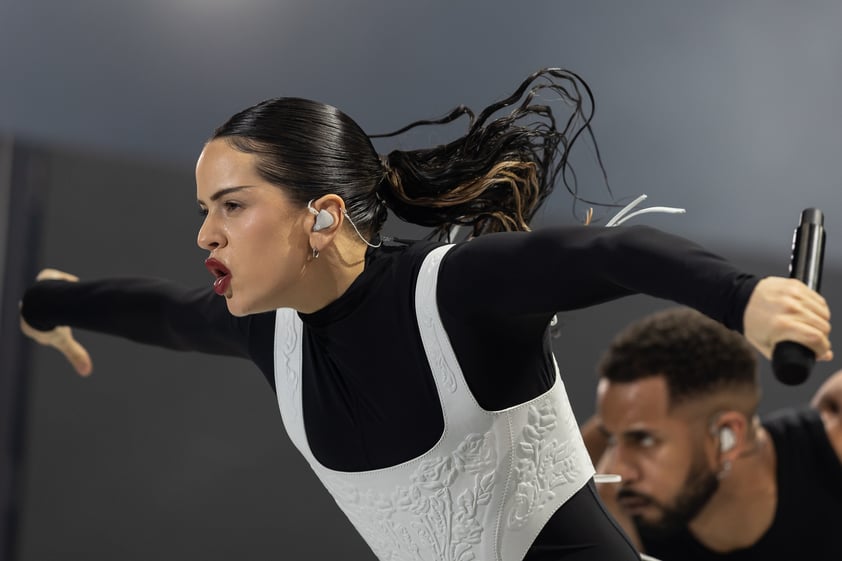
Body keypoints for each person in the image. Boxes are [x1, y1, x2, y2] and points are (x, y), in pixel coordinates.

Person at [18, 68, 832, 561]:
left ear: (323, 214)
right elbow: (157, 312)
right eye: (204, 209)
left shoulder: (452, 296)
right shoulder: (267, 333)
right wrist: (46, 301)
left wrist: (745, 297)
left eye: (231, 205)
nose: (205, 232)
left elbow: (606, 256)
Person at [583, 306, 842, 560]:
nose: (618, 469)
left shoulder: (830, 448)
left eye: (645, 440)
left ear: (727, 437)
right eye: (613, 440)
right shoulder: (609, 498)